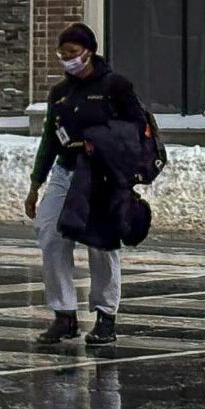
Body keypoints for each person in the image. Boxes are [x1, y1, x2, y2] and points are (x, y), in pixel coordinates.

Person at [25, 23, 148, 348]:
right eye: (62, 55)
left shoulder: (115, 86)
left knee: (101, 243)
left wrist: (104, 142)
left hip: (101, 175)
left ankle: (106, 316)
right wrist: (35, 184)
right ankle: (64, 314)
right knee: (50, 235)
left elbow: (137, 127)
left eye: (73, 54)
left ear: (89, 52)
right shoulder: (61, 93)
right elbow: (50, 139)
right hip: (66, 172)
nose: (67, 60)